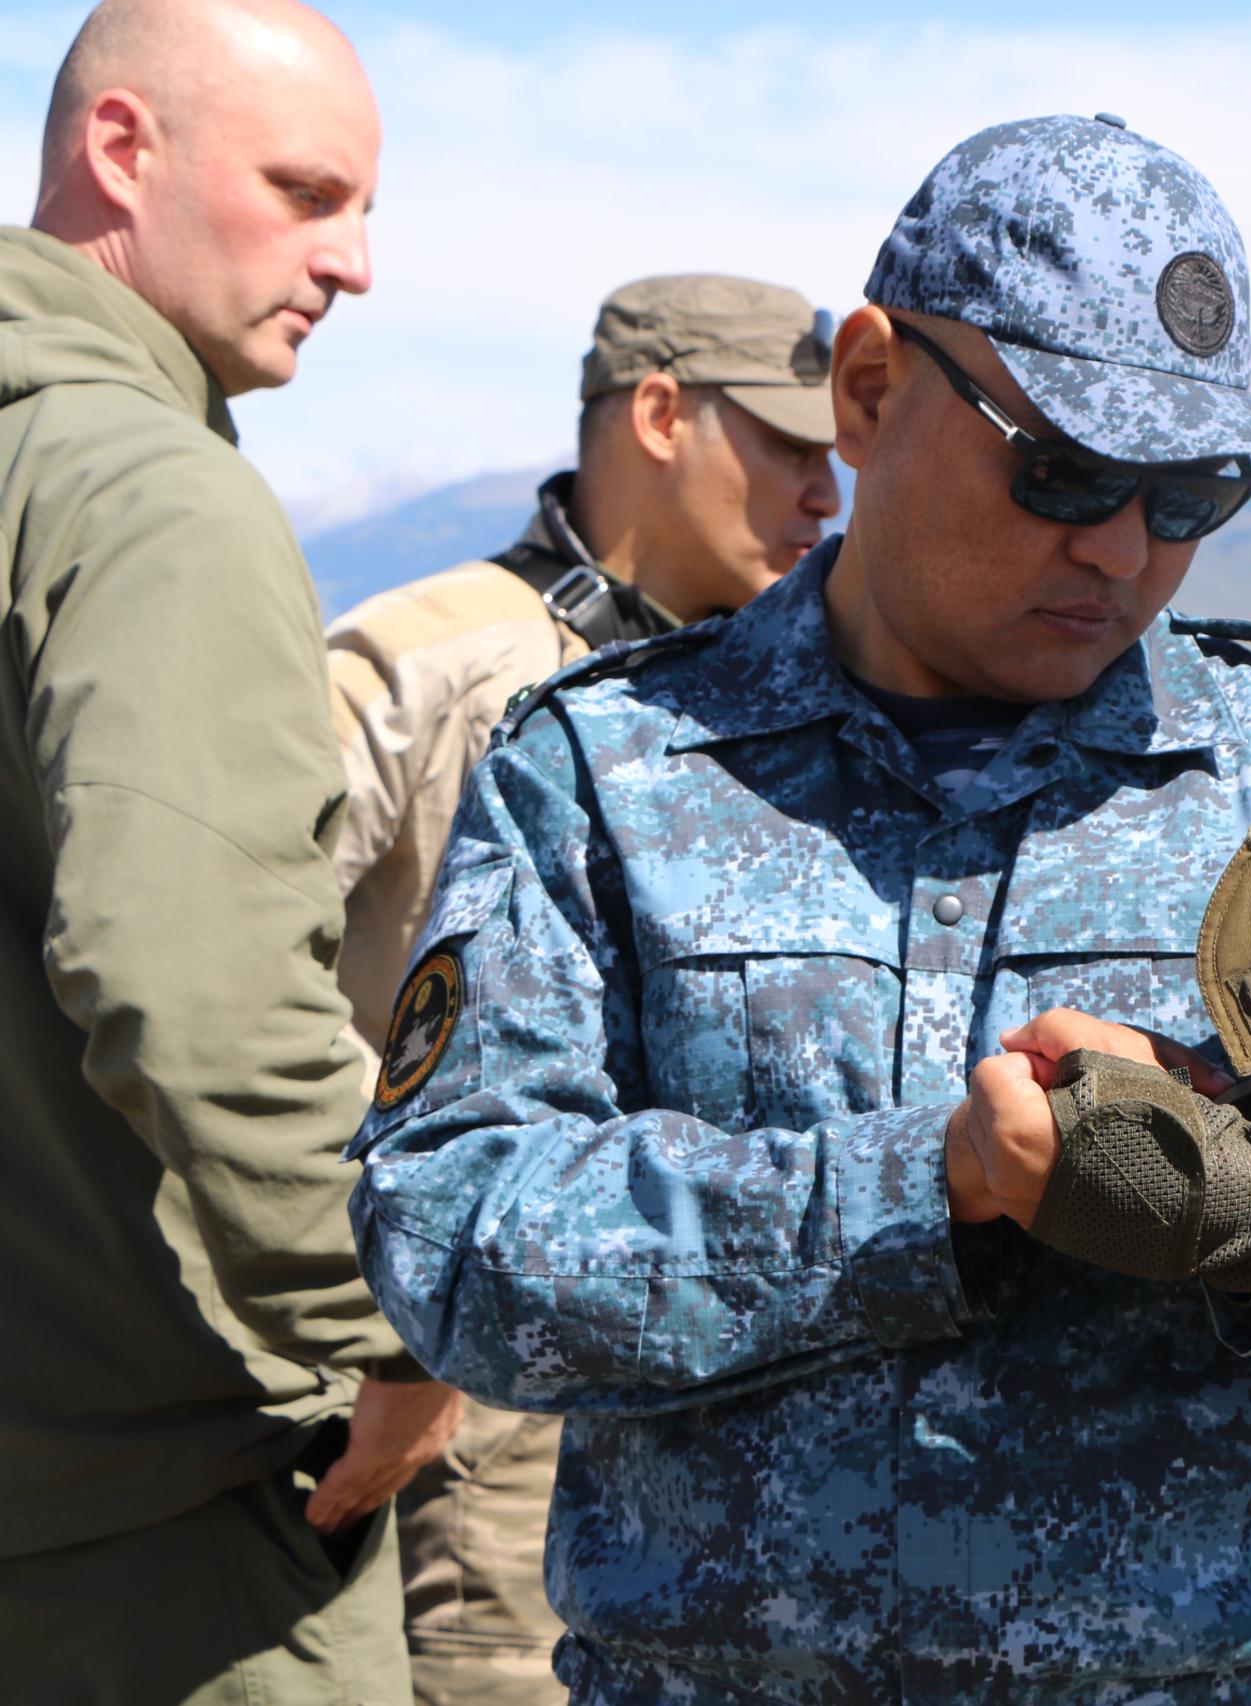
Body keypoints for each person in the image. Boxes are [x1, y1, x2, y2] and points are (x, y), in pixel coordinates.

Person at [347, 113, 1251, 1703]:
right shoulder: (606, 769)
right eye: (1062, 468)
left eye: (1193, 493)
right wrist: (927, 1184)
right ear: (867, 390)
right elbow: (448, 1235)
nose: (1125, 548)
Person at [0, 2, 462, 1700]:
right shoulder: (148, 497)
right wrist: (399, 1321)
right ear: (123, 152)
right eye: (305, 191)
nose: (352, 263)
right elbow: (192, 984)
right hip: (149, 1531)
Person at [326, 273, 839, 1704]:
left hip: (697, 1428)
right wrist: (374, 1307)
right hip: (448, 1403)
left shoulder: (780, 702)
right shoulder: (424, 662)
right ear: (663, 415)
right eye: (792, 445)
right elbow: (220, 973)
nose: (824, 490)